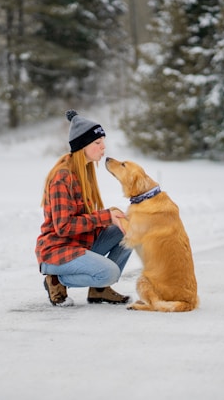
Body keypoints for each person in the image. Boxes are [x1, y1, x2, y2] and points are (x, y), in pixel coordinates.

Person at [35, 109, 132, 306]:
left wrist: (115, 216)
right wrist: (105, 217)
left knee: (130, 230)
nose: (103, 147)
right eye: (97, 143)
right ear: (82, 146)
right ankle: (56, 279)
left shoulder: (84, 171)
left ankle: (99, 291)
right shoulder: (63, 177)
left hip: (79, 244)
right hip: (57, 251)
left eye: (102, 141)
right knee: (109, 272)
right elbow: (64, 227)